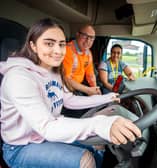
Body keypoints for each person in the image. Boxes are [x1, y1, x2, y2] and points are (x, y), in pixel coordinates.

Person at [0, 18, 141, 168]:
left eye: (61, 44)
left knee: (98, 143)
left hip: (43, 136)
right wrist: (99, 123)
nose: (57, 51)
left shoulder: (52, 71)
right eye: (49, 43)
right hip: (21, 146)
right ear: (33, 46)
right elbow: (47, 126)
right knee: (86, 160)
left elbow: (69, 100)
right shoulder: (19, 77)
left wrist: (106, 98)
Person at [63, 24, 101, 96]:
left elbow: (90, 74)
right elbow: (66, 79)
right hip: (66, 87)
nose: (88, 41)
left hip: (79, 85)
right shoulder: (67, 50)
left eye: (91, 38)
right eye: (85, 36)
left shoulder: (88, 53)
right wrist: (88, 90)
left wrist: (95, 89)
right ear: (77, 35)